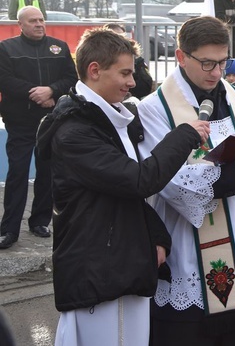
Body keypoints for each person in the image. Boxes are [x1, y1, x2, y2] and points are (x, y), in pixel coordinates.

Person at [36, 28, 210, 346]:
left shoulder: (108, 119)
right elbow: (138, 180)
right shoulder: (76, 131)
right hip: (99, 274)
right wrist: (185, 134)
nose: (133, 82)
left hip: (120, 266)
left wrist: (154, 235)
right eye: (125, 73)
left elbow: (120, 195)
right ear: (94, 70)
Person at [138, 16, 235, 346]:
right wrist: (232, 174)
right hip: (187, 250)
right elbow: (165, 180)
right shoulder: (155, 109)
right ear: (180, 56)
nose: (216, 72)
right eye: (207, 63)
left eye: (222, 61)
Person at [0, 6, 77, 249]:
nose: (39, 24)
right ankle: (9, 229)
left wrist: (53, 90)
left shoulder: (59, 47)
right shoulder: (6, 48)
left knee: (47, 172)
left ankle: (40, 221)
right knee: (18, 173)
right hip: (20, 121)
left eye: (41, 20)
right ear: (20, 25)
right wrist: (36, 93)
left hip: (51, 120)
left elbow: (72, 79)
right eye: (33, 21)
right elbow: (5, 80)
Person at [104, 22, 154, 99]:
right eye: (115, 38)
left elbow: (146, 86)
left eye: (123, 37)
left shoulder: (137, 61)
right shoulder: (99, 62)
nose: (120, 42)